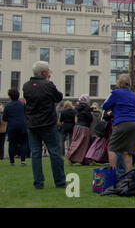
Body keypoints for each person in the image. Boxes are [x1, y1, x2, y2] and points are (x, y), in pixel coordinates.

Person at [22, 61, 65, 189]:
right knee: (55, 152)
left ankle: (38, 183)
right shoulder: (48, 85)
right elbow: (58, 97)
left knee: (35, 153)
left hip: (32, 123)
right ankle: (60, 181)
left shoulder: (26, 86)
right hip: (47, 123)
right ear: (45, 73)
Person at [102, 74, 135, 173]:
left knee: (112, 148)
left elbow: (105, 106)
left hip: (122, 122)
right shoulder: (133, 94)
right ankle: (129, 175)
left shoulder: (116, 93)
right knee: (127, 151)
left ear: (119, 82)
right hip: (134, 123)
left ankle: (113, 173)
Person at [2, 89, 27, 166]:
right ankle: (23, 161)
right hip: (22, 125)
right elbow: (27, 114)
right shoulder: (23, 105)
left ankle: (12, 161)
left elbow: (4, 118)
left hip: (12, 126)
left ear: (10, 96)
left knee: (12, 144)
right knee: (23, 143)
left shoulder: (7, 106)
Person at [66, 94, 93, 165]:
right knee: (85, 145)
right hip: (84, 127)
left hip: (77, 126)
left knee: (76, 142)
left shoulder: (77, 108)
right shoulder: (87, 108)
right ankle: (84, 160)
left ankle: (71, 157)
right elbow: (89, 118)